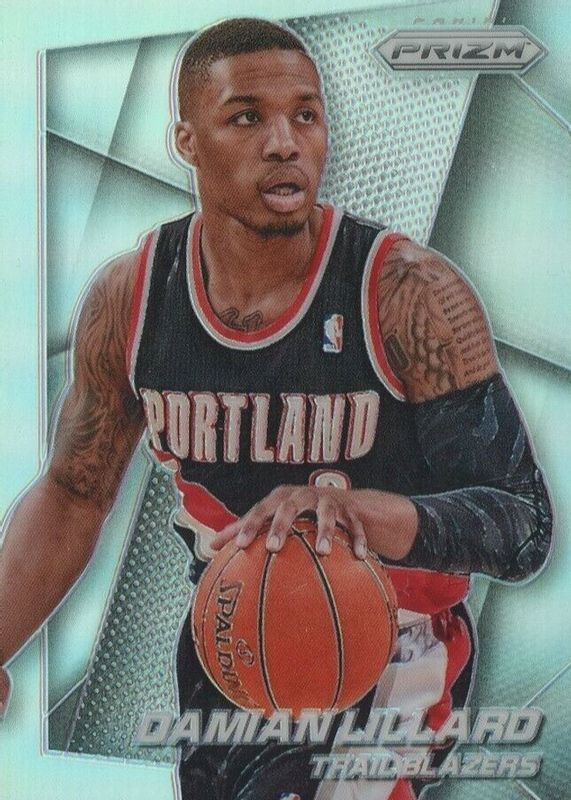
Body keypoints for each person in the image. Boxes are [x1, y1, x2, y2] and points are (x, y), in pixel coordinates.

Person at [0, 16, 552, 800]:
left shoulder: (409, 294)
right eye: (247, 117)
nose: (285, 142)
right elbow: (73, 493)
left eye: (305, 115)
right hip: (232, 637)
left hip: (387, 643)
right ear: (187, 140)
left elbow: (522, 523)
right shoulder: (132, 298)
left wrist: (359, 511)